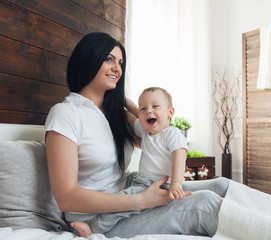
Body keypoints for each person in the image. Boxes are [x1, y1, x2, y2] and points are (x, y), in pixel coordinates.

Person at [44, 32, 229, 239]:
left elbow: (153, 135)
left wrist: (123, 100)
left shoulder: (115, 114)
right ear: (89, 59)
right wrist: (142, 200)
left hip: (131, 189)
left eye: (120, 62)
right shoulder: (66, 114)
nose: (117, 69)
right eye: (109, 59)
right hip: (97, 219)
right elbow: (66, 198)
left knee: (222, 185)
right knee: (204, 204)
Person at [71, 86, 190, 237]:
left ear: (170, 112)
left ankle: (93, 228)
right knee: (124, 200)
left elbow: (179, 157)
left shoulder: (172, 133)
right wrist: (120, 100)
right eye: (143, 108)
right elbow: (130, 116)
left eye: (155, 106)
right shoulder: (146, 131)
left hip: (157, 183)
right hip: (142, 180)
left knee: (122, 203)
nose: (148, 111)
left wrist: (176, 183)